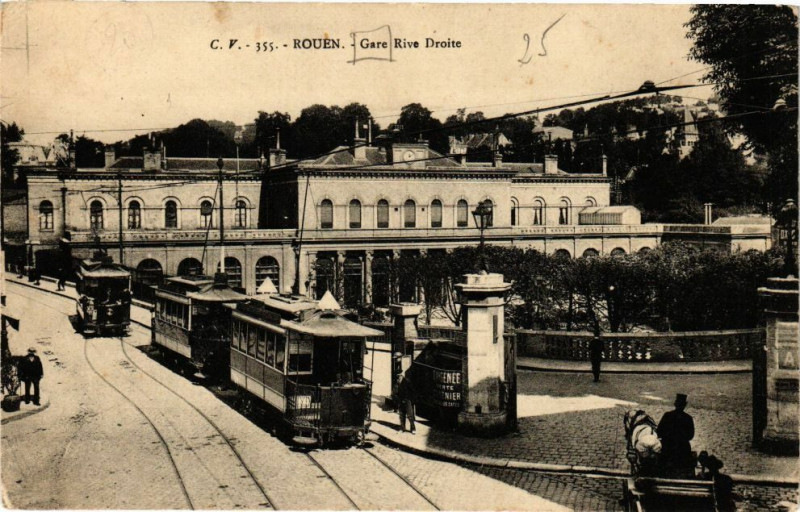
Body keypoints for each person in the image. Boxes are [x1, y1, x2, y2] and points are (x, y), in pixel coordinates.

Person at [657, 393, 695, 477]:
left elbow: (659, 431)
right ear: (684, 406)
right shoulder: (688, 418)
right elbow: (691, 435)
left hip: (667, 450)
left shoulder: (667, 415)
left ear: (675, 404)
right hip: (683, 451)